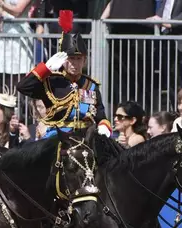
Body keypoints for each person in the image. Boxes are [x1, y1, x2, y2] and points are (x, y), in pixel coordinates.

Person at [16, 9, 112, 139]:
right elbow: (22, 87)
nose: (75, 63)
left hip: (85, 138)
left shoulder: (90, 86)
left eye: (78, 59)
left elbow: (101, 116)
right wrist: (46, 68)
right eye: (71, 59)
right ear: (63, 60)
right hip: (56, 138)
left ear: (84, 61)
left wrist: (104, 126)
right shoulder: (51, 81)